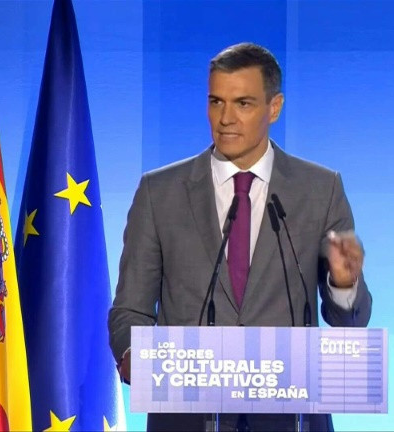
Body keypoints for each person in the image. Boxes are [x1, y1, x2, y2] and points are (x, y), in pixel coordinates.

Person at [108, 42, 373, 431]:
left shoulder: (320, 189)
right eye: (216, 102)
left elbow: (348, 322)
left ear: (274, 108)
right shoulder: (159, 192)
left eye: (243, 103)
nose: (226, 118)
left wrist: (344, 284)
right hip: (188, 417)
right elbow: (130, 308)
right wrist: (135, 353)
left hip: (290, 419)